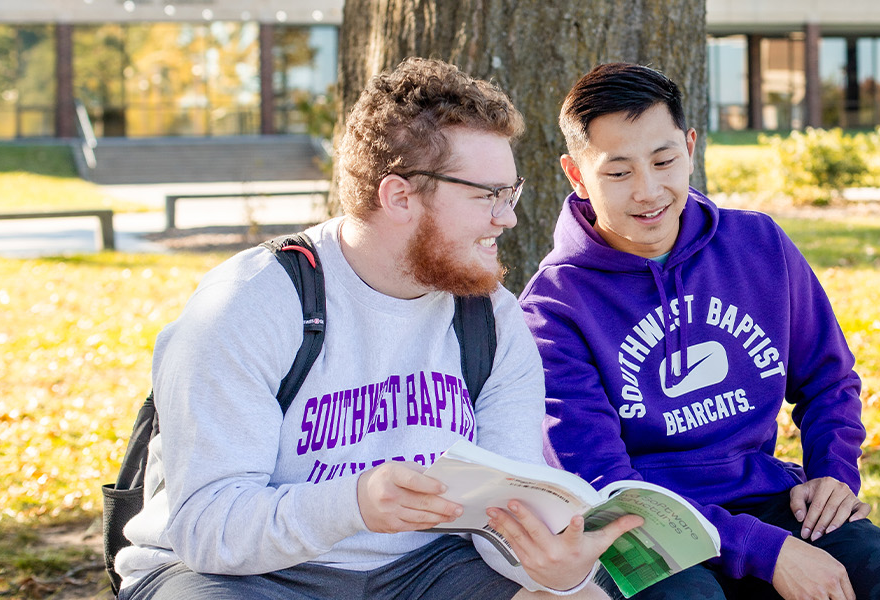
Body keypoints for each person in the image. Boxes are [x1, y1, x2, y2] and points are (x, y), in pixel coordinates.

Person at [113, 57, 639, 600]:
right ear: (399, 197)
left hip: (424, 566)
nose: (506, 218)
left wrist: (555, 569)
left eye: (511, 193)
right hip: (245, 576)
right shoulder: (250, 304)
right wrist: (354, 503)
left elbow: (501, 522)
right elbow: (207, 529)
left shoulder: (492, 319)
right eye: (486, 195)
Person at [517, 62, 880, 600]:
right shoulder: (554, 307)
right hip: (638, 525)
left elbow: (829, 379)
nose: (649, 191)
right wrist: (767, 552)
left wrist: (834, 473)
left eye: (664, 160)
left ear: (691, 148)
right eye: (618, 172)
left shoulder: (758, 244)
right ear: (577, 175)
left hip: (763, 495)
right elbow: (604, 486)